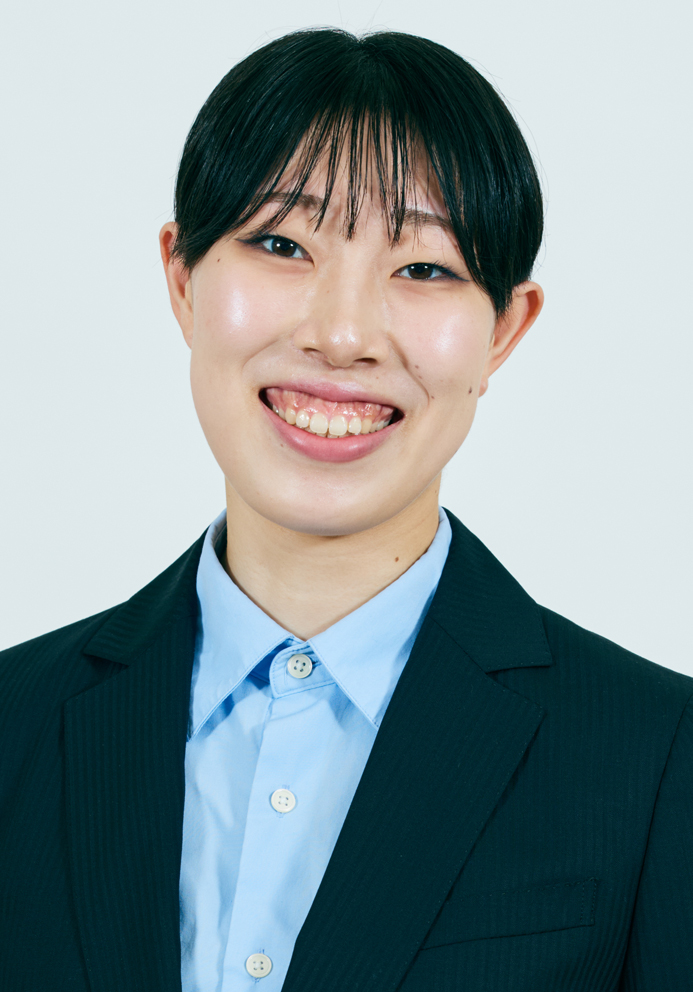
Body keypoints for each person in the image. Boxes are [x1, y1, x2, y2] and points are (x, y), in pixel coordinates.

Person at [0, 26, 691, 992]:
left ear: (504, 329)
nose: (341, 333)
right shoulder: (15, 723)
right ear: (182, 278)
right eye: (282, 243)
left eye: (424, 269)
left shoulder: (656, 756)